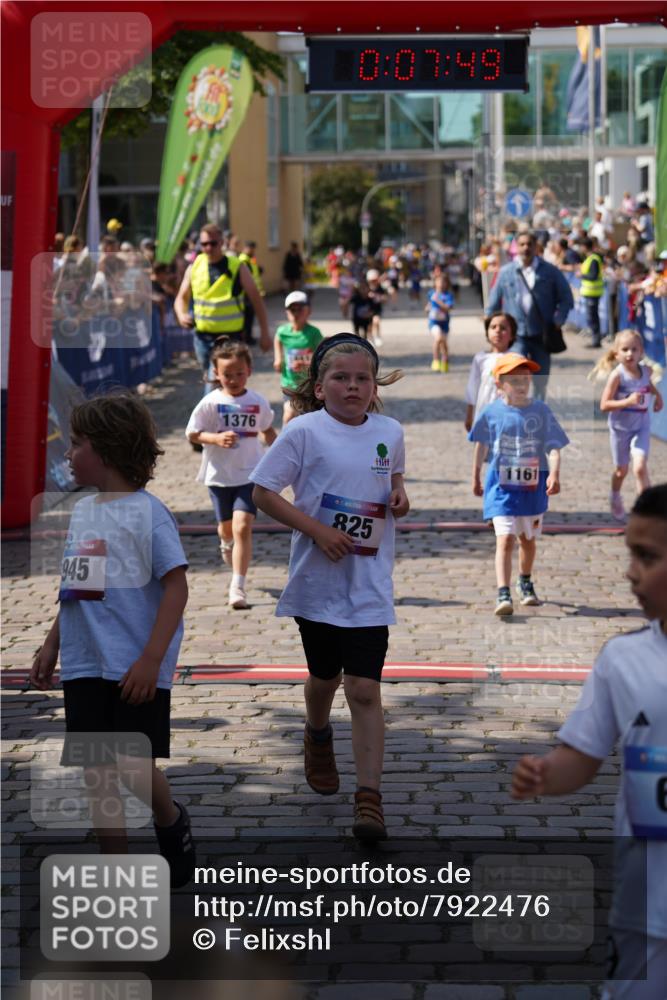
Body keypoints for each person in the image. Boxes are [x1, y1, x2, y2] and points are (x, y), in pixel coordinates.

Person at [29, 393, 194, 887]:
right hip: (85, 662)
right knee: (98, 771)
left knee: (130, 764)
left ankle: (169, 817)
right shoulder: (83, 513)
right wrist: (52, 643)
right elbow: (77, 587)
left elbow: (177, 586)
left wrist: (151, 659)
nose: (67, 452)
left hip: (133, 664)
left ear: (106, 451)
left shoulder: (149, 513)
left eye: (75, 443)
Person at [250, 334, 410, 842]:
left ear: (374, 385)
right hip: (318, 582)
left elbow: (393, 477)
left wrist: (400, 494)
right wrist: (317, 530)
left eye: (362, 378)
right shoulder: (303, 432)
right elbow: (262, 494)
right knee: (325, 676)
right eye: (341, 378)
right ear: (319, 388)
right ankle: (317, 731)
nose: (353, 386)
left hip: (369, 583)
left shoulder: (390, 430)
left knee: (363, 689)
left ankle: (370, 800)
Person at [511, 484, 667, 1000]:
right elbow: (582, 757)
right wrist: (546, 774)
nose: (630, 572)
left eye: (647, 557)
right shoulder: (622, 661)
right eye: (630, 554)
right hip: (648, 910)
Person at [470, 353, 569, 616]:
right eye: (514, 380)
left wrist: (554, 474)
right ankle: (503, 592)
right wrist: (475, 475)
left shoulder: (541, 411)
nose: (522, 384)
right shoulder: (491, 412)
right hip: (500, 490)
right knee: (504, 540)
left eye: (525, 379)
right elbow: (481, 444)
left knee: (527, 541)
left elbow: (555, 446)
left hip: (531, 492)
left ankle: (524, 580)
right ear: (499, 384)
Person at [186, 339, 276, 609]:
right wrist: (214, 439)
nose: (233, 379)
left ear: (248, 371)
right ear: (216, 374)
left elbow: (268, 431)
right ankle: (226, 543)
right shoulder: (210, 402)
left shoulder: (257, 402)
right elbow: (192, 433)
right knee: (227, 530)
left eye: (239, 373)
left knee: (242, 526)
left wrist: (287, 455)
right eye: (227, 374)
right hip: (219, 476)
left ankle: (237, 586)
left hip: (250, 475)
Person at [174, 223, 271, 390]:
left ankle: (214, 413)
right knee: (214, 380)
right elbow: (181, 298)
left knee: (218, 382)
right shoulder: (195, 266)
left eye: (213, 243)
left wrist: (264, 333)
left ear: (222, 243)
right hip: (203, 338)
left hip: (230, 338)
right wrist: (181, 314)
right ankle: (220, 413)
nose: (209, 247)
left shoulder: (237, 266)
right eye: (204, 244)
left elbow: (256, 299)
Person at [486, 231, 574, 399]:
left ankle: (538, 413)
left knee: (541, 380)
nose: (526, 248)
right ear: (516, 247)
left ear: (536, 247)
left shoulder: (550, 271)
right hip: (516, 335)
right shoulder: (506, 272)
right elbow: (493, 304)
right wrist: (492, 332)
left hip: (542, 335)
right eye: (522, 244)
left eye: (529, 244)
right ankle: (516, 410)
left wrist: (558, 320)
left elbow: (566, 298)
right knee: (513, 374)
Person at [593, 330, 663, 521]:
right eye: (625, 349)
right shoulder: (617, 376)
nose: (630, 353)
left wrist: (658, 397)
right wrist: (627, 402)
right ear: (616, 354)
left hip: (641, 426)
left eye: (635, 349)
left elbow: (648, 385)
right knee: (621, 470)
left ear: (642, 352)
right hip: (620, 429)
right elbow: (604, 405)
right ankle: (615, 495)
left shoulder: (646, 371)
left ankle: (646, 511)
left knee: (640, 467)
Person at [273, 291, 323, 426]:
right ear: (286, 312)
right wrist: (278, 358)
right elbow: (277, 339)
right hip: (290, 384)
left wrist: (307, 363)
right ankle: (285, 442)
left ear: (309, 311)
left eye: (300, 309)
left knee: (309, 418)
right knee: (288, 414)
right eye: (292, 309)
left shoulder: (313, 333)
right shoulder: (283, 331)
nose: (296, 313)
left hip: (308, 385)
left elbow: (321, 356)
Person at [464, 312, 517, 432]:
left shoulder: (516, 359)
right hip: (483, 411)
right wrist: (469, 414)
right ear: (487, 332)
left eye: (503, 328)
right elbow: (472, 387)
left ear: (512, 335)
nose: (497, 331)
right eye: (493, 327)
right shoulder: (480, 358)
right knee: (483, 447)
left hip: (507, 414)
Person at [426, 273, 455, 372]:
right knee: (438, 338)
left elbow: (449, 308)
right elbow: (429, 304)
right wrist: (427, 308)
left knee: (444, 344)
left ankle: (445, 361)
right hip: (433, 322)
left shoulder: (448, 295)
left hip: (444, 323)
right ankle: (435, 360)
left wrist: (438, 302)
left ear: (447, 283)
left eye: (443, 282)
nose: (441, 284)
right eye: (438, 282)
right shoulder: (431, 293)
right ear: (435, 283)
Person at [580, 237, 605, 348]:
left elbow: (593, 276)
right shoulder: (589, 258)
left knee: (593, 317)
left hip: (593, 293)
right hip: (590, 292)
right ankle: (595, 339)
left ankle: (596, 340)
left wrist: (582, 275)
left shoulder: (593, 259)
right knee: (592, 317)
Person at [238, 240, 264, 346]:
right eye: (252, 249)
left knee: (250, 317)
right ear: (248, 248)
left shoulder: (249, 259)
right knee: (247, 318)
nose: (254, 251)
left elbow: (254, 274)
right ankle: (246, 338)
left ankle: (248, 337)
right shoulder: (244, 260)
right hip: (246, 295)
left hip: (251, 294)